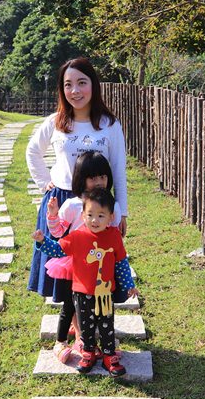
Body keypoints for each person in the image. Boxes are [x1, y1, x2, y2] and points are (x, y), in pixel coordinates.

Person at [26, 56, 128, 306]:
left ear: (93, 85)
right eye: (68, 84)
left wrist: (122, 211)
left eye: (81, 83)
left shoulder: (109, 125)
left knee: (93, 266)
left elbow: (118, 168)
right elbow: (32, 151)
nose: (75, 90)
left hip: (96, 207)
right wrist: (44, 183)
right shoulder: (56, 121)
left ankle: (86, 325)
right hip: (63, 203)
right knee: (66, 267)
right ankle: (76, 326)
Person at [33, 187, 137, 376]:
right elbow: (57, 250)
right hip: (81, 293)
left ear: (110, 216)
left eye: (100, 215)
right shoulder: (77, 236)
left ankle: (108, 356)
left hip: (105, 293)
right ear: (82, 215)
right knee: (86, 326)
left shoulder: (113, 236)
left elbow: (121, 262)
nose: (94, 220)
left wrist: (129, 285)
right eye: (90, 215)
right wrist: (42, 241)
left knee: (107, 324)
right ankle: (88, 352)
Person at [43, 151, 124, 363]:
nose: (99, 182)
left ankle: (99, 342)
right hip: (74, 262)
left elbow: (111, 235)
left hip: (99, 265)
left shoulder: (111, 205)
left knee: (100, 305)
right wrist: (53, 215)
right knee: (71, 302)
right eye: (93, 177)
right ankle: (63, 341)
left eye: (103, 176)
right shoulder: (72, 205)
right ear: (81, 178)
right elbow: (59, 232)